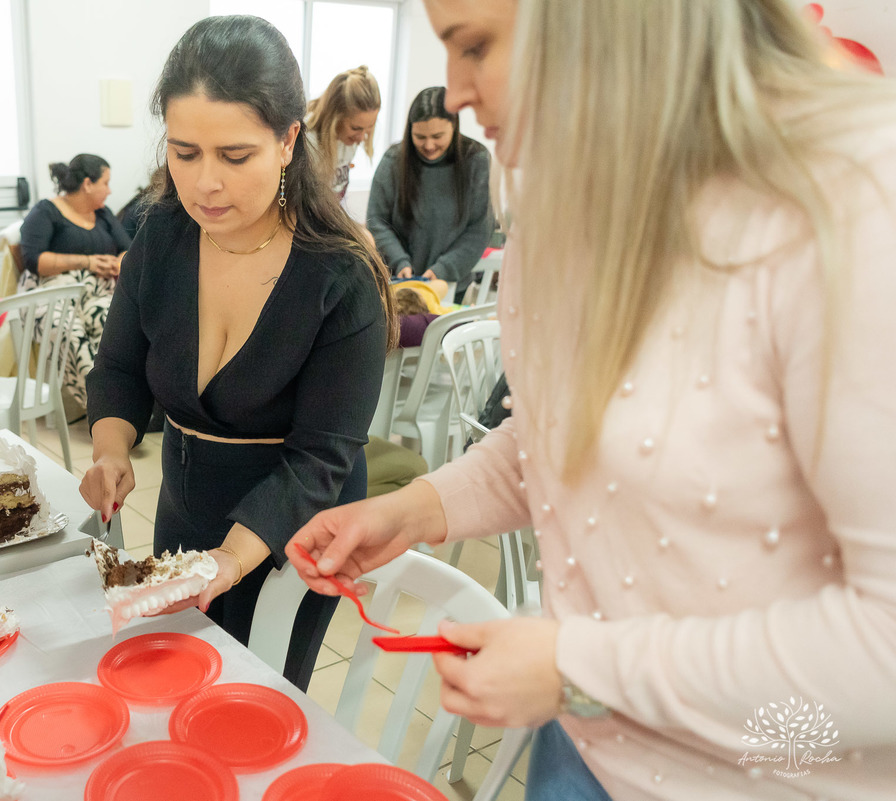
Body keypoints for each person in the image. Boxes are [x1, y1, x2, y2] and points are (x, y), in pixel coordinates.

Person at [288, 1, 896, 799]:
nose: (455, 92)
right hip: (583, 736)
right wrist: (414, 509)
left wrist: (577, 667)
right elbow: (560, 443)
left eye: (474, 45)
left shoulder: (853, 204)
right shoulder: (563, 195)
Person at [81, 15, 395, 692]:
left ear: (287, 141)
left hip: (293, 524)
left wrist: (230, 557)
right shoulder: (163, 235)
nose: (205, 185)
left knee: (257, 696)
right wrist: (111, 449)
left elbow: (320, 457)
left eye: (235, 155)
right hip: (186, 497)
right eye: (185, 153)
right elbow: (119, 367)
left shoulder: (340, 276)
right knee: (174, 683)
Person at [19, 154, 132, 406]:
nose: (110, 190)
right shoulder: (45, 212)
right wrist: (87, 262)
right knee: (70, 333)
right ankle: (102, 406)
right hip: (51, 294)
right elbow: (34, 261)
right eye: (106, 182)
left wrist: (118, 262)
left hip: (97, 292)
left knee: (113, 327)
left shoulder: (103, 214)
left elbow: (127, 249)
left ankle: (125, 404)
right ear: (88, 184)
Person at [368, 86, 494, 304]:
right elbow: (377, 221)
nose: (428, 145)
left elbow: (479, 228)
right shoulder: (393, 161)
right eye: (419, 137)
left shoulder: (477, 160)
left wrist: (443, 268)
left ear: (454, 127)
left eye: (437, 136)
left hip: (452, 286)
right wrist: (399, 261)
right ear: (410, 131)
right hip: (400, 285)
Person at [305, 66, 382, 200]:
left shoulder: (348, 139)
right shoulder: (307, 142)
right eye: (355, 128)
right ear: (335, 117)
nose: (361, 138)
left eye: (369, 127)